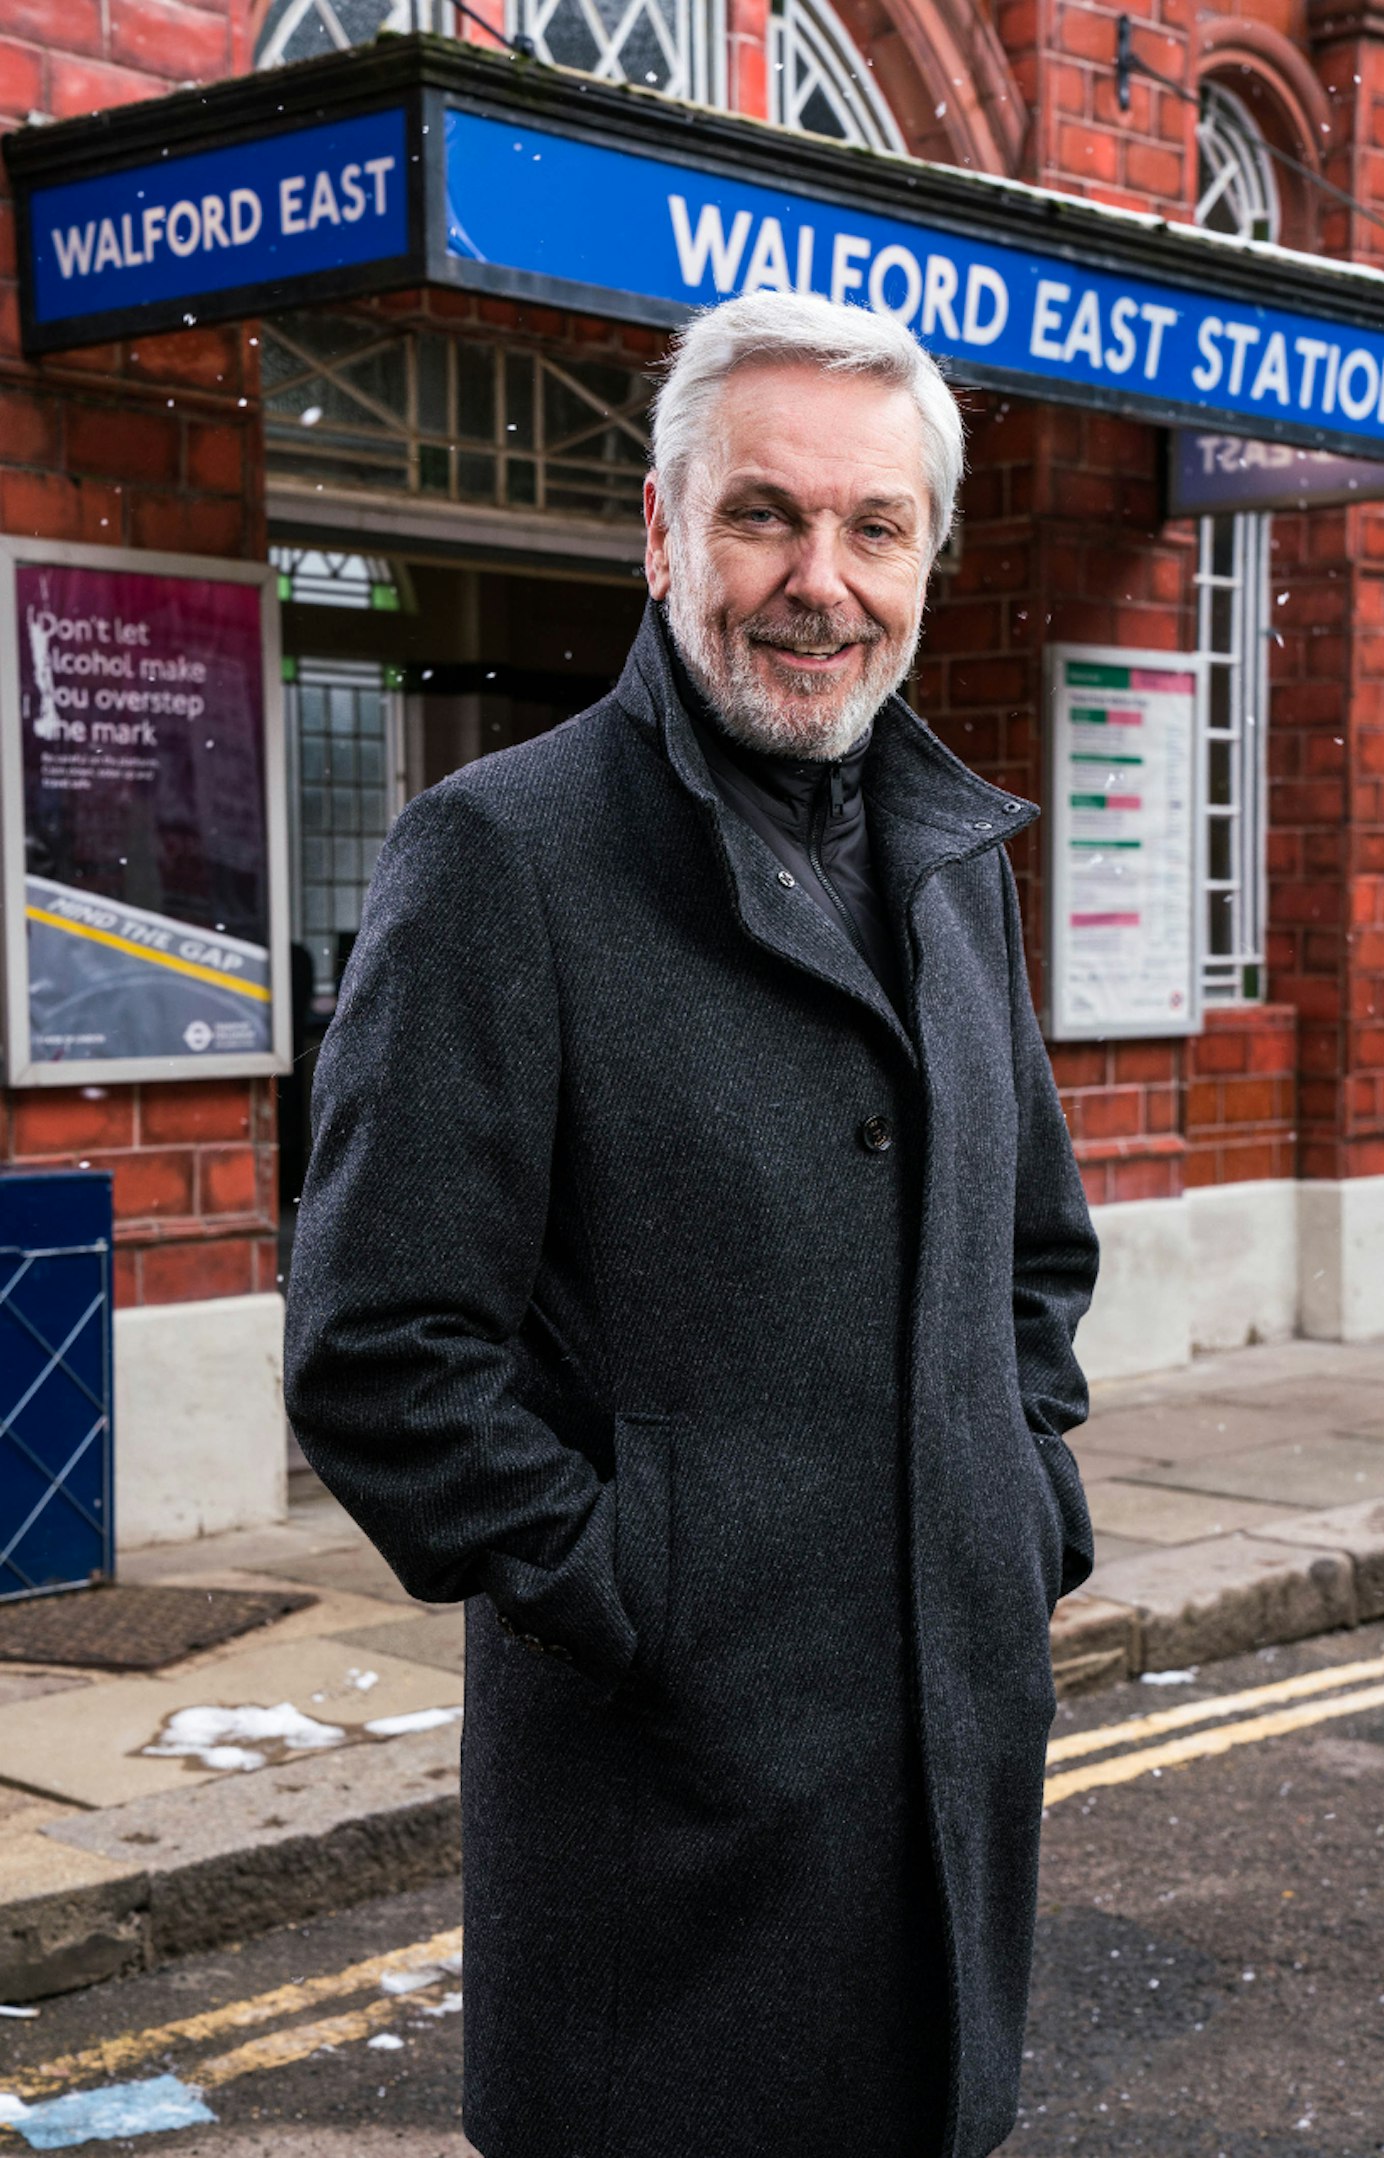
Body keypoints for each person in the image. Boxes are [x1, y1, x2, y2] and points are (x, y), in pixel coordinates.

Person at [283, 289, 1100, 2158]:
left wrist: (1016, 1490)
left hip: (943, 1798)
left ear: (926, 559)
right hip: (665, 1837)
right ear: (663, 534)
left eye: (874, 526)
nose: (821, 579)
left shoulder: (955, 863)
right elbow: (379, 1350)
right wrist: (645, 1582)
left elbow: (1032, 1253)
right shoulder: (503, 853)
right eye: (763, 514)